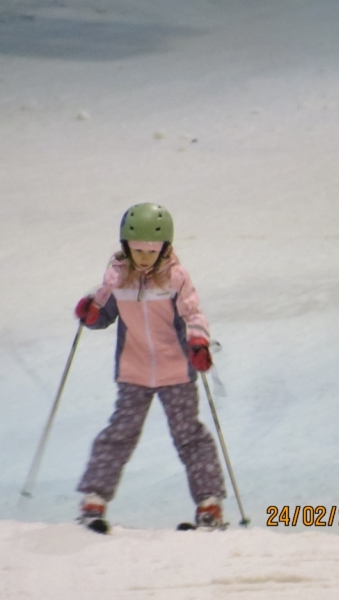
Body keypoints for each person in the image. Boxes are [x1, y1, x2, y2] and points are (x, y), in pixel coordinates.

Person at [74, 203, 226, 529]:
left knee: (189, 436)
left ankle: (209, 505)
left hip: (176, 372)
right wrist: (91, 314)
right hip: (134, 370)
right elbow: (104, 313)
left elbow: (192, 315)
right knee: (119, 434)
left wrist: (198, 343)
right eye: (137, 250)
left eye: (151, 250)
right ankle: (93, 502)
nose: (143, 257)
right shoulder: (117, 278)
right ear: (125, 246)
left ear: (165, 249)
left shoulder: (175, 278)